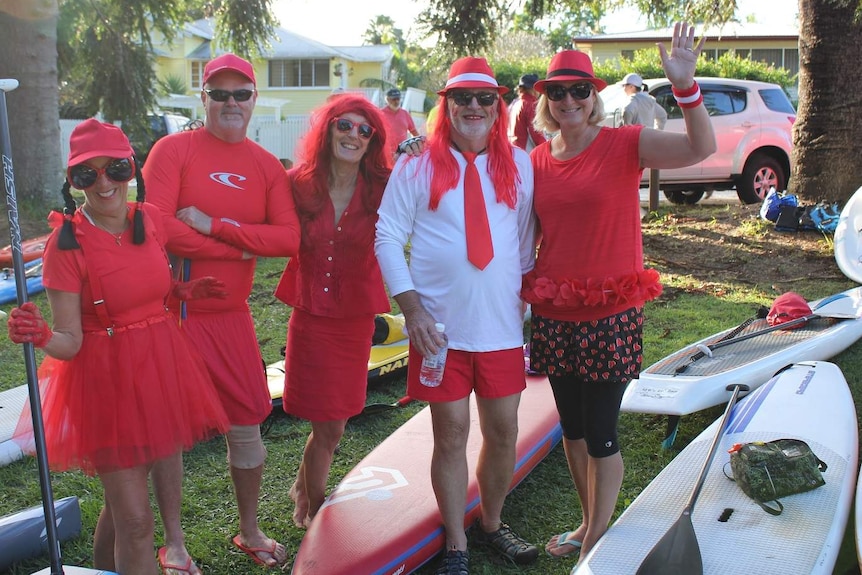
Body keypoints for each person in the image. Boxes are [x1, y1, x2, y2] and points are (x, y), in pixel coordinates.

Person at [523, 22, 716, 562]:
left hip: (611, 312)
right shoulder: (535, 162)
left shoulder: (624, 145)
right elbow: (519, 237)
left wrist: (685, 87)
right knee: (574, 428)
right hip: (556, 311)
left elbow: (702, 146)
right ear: (546, 101)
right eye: (557, 91)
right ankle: (588, 523)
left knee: (603, 432)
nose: (569, 100)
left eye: (579, 90)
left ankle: (595, 535)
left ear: (594, 96)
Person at [7, 119, 231, 575]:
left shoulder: (149, 220)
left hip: (161, 365)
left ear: (132, 169)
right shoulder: (65, 246)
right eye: (86, 175)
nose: (104, 183)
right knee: (135, 520)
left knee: (128, 497)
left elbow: (150, 286)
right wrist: (40, 335)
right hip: (105, 381)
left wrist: (181, 292)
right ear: (72, 183)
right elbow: (68, 341)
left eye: (115, 168)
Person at [375, 56, 539, 575]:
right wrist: (412, 308)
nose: (473, 106)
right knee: (449, 434)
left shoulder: (520, 162)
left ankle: (491, 524)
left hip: (500, 329)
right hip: (439, 331)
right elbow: (386, 236)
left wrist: (523, 300)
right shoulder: (417, 164)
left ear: (499, 107)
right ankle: (455, 543)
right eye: (461, 98)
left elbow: (523, 238)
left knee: (505, 431)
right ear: (446, 106)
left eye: (484, 98)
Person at [143, 53, 301, 569]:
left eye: (241, 93)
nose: (231, 103)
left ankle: (250, 530)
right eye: (219, 94)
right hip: (174, 313)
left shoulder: (264, 166)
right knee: (167, 430)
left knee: (248, 420)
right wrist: (240, 250)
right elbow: (159, 226)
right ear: (203, 98)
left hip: (231, 318)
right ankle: (174, 542)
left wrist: (215, 227)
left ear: (254, 98)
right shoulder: (173, 150)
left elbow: (288, 238)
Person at [274, 94, 392, 528]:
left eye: (365, 130)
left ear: (372, 141)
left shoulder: (385, 186)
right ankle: (312, 505)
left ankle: (307, 495)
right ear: (328, 129)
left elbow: (433, 188)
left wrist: (418, 152)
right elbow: (256, 218)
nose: (353, 135)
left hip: (354, 320)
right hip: (308, 316)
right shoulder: (295, 183)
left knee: (334, 425)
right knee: (324, 424)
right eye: (345, 125)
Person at [507, 73, 547, 151]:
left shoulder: (514, 103)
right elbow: (535, 132)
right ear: (533, 88)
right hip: (526, 152)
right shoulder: (530, 104)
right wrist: (546, 149)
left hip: (512, 149)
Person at [381, 87, 419, 159]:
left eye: (398, 99)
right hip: (385, 155)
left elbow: (414, 133)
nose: (396, 102)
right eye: (394, 99)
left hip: (402, 154)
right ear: (388, 100)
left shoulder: (405, 114)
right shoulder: (381, 114)